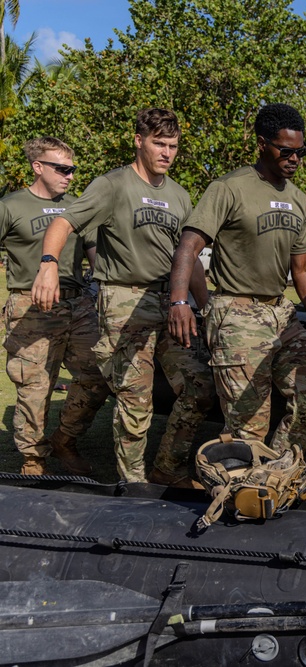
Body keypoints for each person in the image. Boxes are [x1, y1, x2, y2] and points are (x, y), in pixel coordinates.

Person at [32, 109, 214, 487]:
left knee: (198, 390)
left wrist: (206, 307)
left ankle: (168, 467)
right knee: (135, 402)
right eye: (159, 144)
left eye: (173, 146)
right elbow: (64, 222)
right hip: (123, 302)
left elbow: (189, 257)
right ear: (138, 141)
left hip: (171, 304)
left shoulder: (180, 195)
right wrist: (49, 263)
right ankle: (132, 487)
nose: (167, 152)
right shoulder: (113, 185)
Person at [168, 103, 306, 454]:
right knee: (248, 426)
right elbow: (188, 246)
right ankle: (243, 493)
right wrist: (179, 301)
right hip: (237, 313)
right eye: (286, 150)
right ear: (262, 144)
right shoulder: (229, 188)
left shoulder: (299, 199)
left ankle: (274, 474)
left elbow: (302, 268)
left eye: (300, 152)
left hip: (281, 314)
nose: (295, 159)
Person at [1, 137, 111, 475]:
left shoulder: (77, 206)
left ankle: (65, 438)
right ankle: (34, 460)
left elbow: (95, 256)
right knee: (35, 387)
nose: (70, 175)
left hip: (78, 304)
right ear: (38, 167)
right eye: (62, 169)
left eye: (72, 169)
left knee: (99, 373)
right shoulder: (11, 206)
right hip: (32, 308)